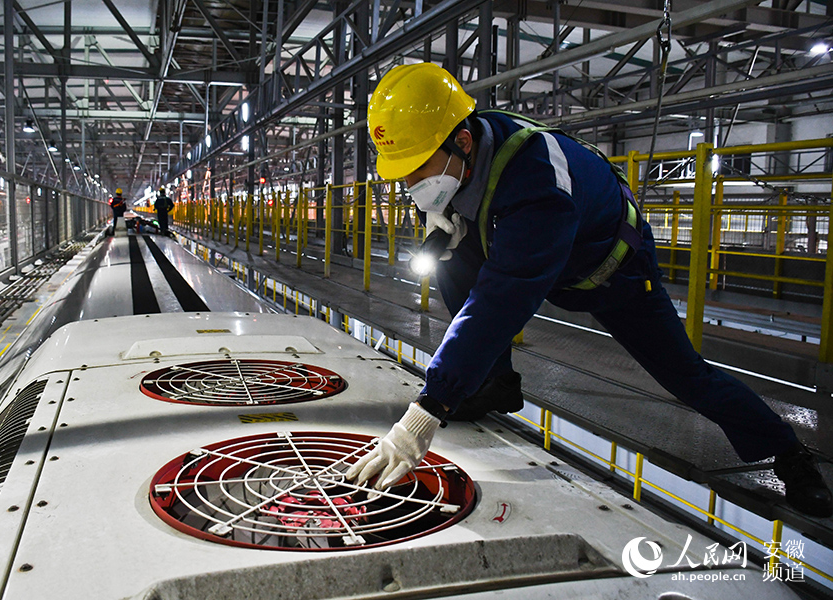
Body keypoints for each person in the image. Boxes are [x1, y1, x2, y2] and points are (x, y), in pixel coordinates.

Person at [346, 62, 832, 518]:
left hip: (615, 274)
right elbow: (476, 258)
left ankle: (787, 451)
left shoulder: (536, 184)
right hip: (548, 257)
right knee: (447, 259)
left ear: (464, 142)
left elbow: (501, 300)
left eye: (418, 169)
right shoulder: (464, 151)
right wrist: (443, 221)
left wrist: (429, 409)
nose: (411, 183)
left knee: (689, 379)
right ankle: (495, 383)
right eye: (402, 173)